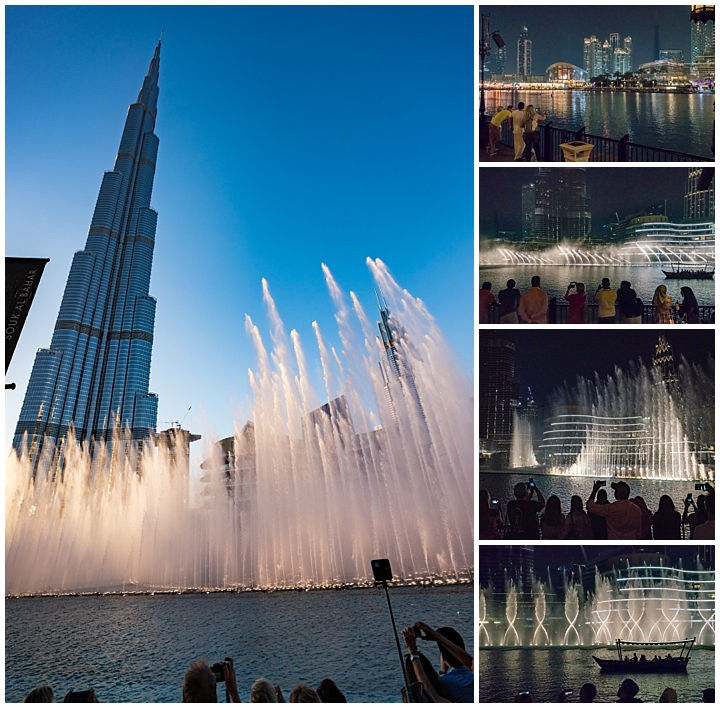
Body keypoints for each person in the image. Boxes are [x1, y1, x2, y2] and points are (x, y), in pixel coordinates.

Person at [402, 622, 473, 703]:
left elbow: (431, 695)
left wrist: (413, 652)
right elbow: (471, 663)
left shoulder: (444, 683)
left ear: (443, 656)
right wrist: (437, 636)